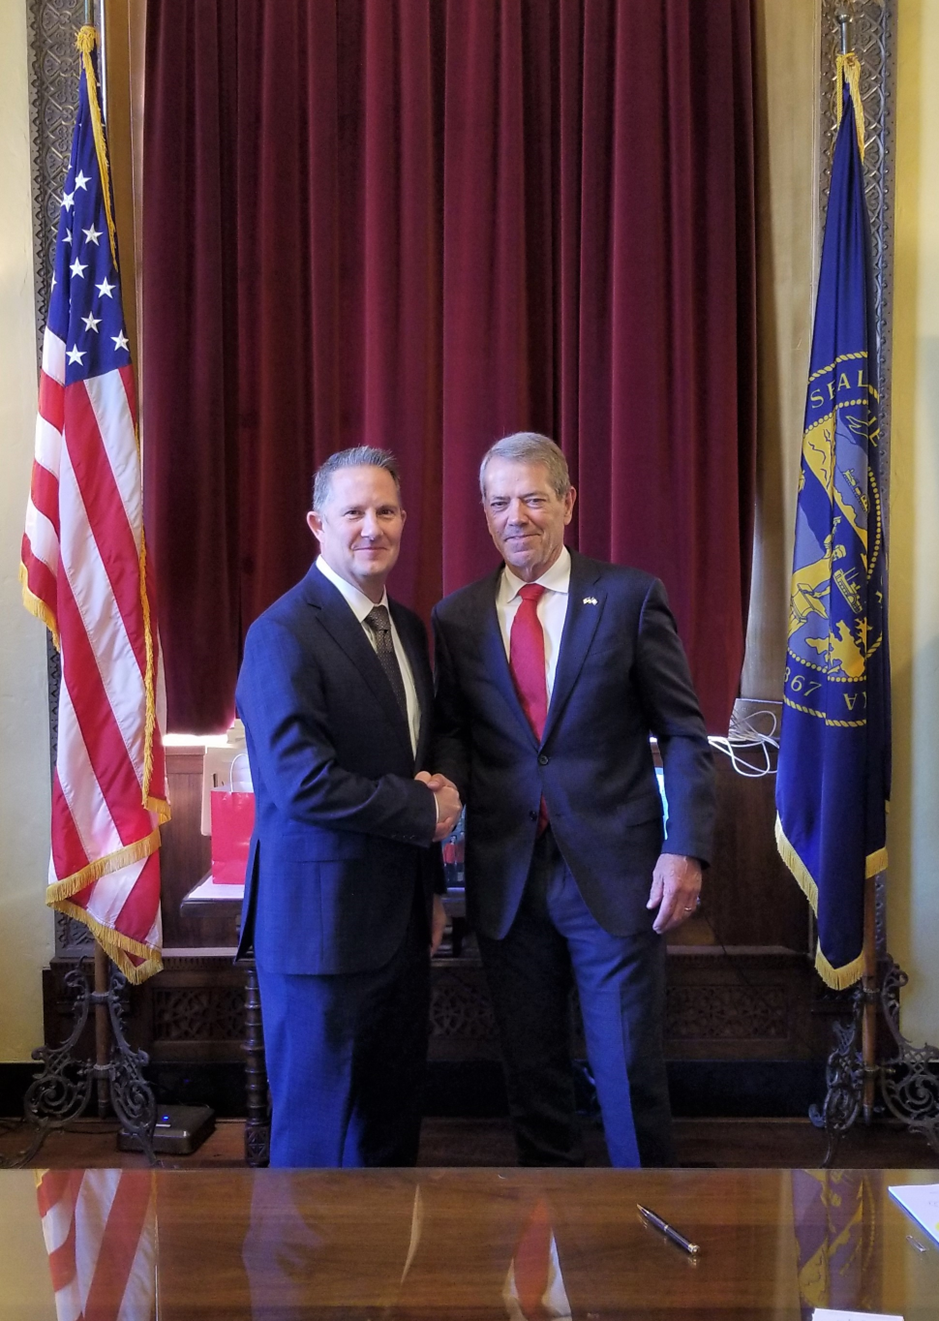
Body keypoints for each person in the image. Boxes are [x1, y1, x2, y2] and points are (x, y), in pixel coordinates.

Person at [432, 432, 715, 1167]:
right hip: (507, 876)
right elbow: (457, 732)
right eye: (498, 502)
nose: (515, 516)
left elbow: (682, 732)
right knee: (531, 1074)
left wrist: (684, 848)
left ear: (567, 502)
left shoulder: (627, 597)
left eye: (531, 498)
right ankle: (546, 1243)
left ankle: (644, 1231)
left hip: (616, 875)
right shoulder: (456, 618)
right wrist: (444, 789)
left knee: (626, 1071)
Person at [236, 446, 461, 1168]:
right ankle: (302, 1288)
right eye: (354, 512)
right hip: (317, 936)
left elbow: (414, 759)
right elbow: (300, 781)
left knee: (390, 1138)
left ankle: (379, 1284)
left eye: (386, 510)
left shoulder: (408, 629)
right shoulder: (282, 633)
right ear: (317, 523)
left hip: (398, 925)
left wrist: (428, 887)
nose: (373, 527)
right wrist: (422, 814)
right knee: (313, 1147)